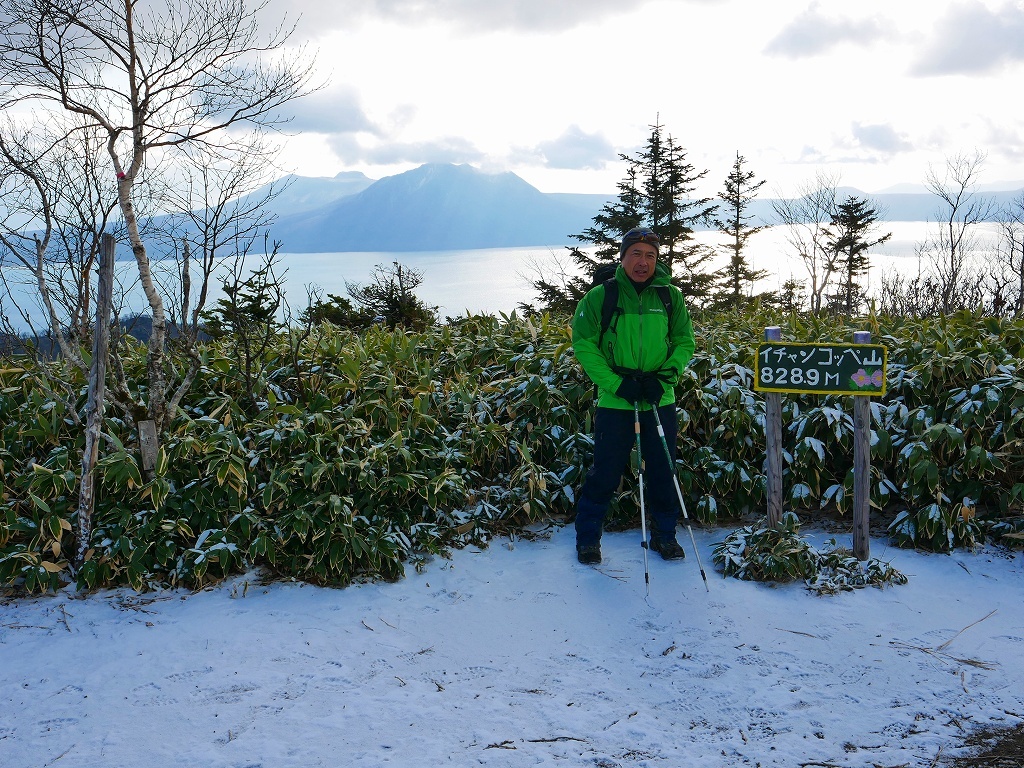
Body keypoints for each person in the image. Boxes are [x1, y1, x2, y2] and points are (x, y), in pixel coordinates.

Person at [571, 226, 696, 565]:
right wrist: (616, 384)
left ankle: (665, 536)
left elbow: (685, 342)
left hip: (659, 397)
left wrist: (664, 379)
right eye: (636, 254)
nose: (643, 262)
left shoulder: (670, 296)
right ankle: (587, 540)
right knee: (606, 472)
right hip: (616, 401)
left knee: (662, 470)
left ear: (657, 260)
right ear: (623, 257)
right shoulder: (601, 296)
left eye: (650, 256)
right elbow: (583, 344)